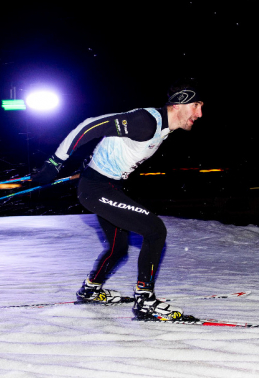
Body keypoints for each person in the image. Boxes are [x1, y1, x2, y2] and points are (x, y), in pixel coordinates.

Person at [31, 80, 204, 321]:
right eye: (196, 106)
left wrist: (90, 163)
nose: (200, 114)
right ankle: (145, 301)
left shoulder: (163, 127)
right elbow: (90, 125)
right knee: (155, 231)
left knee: (118, 248)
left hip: (106, 186)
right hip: (96, 188)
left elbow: (114, 144)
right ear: (179, 104)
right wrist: (55, 162)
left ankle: (91, 289)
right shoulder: (146, 122)